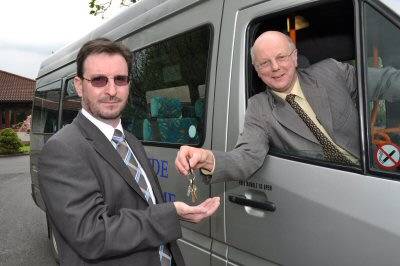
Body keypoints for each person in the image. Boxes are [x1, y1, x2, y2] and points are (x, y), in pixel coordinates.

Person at [38, 38, 220, 266]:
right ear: (78, 85)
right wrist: (170, 213)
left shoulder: (130, 141)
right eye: (99, 80)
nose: (112, 90)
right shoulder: (62, 149)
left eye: (120, 79)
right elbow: (93, 235)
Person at [175, 30, 400, 182]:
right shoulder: (259, 108)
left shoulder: (331, 72)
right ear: (257, 69)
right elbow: (246, 157)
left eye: (281, 57)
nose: (275, 67)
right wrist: (209, 159)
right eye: (264, 63)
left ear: (294, 57)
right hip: (331, 193)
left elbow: (385, 82)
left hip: (377, 174)